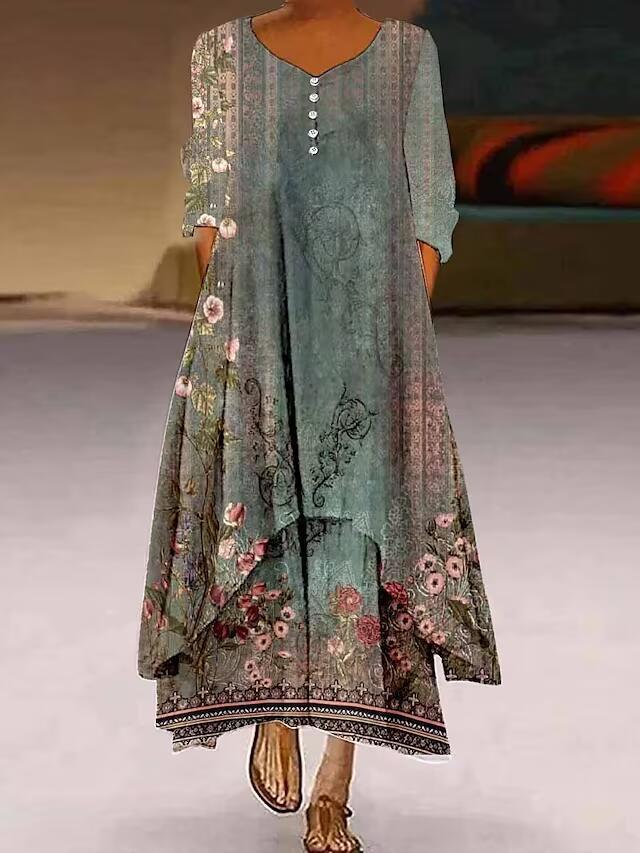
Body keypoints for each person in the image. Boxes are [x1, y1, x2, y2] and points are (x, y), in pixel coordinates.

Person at [137, 4, 502, 852]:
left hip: (368, 346)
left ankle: (334, 789)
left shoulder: (407, 57)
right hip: (258, 338)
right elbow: (209, 213)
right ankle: (277, 706)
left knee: (356, 548)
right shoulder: (221, 54)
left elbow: (429, 210)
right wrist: (245, 347)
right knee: (265, 526)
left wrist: (392, 346)